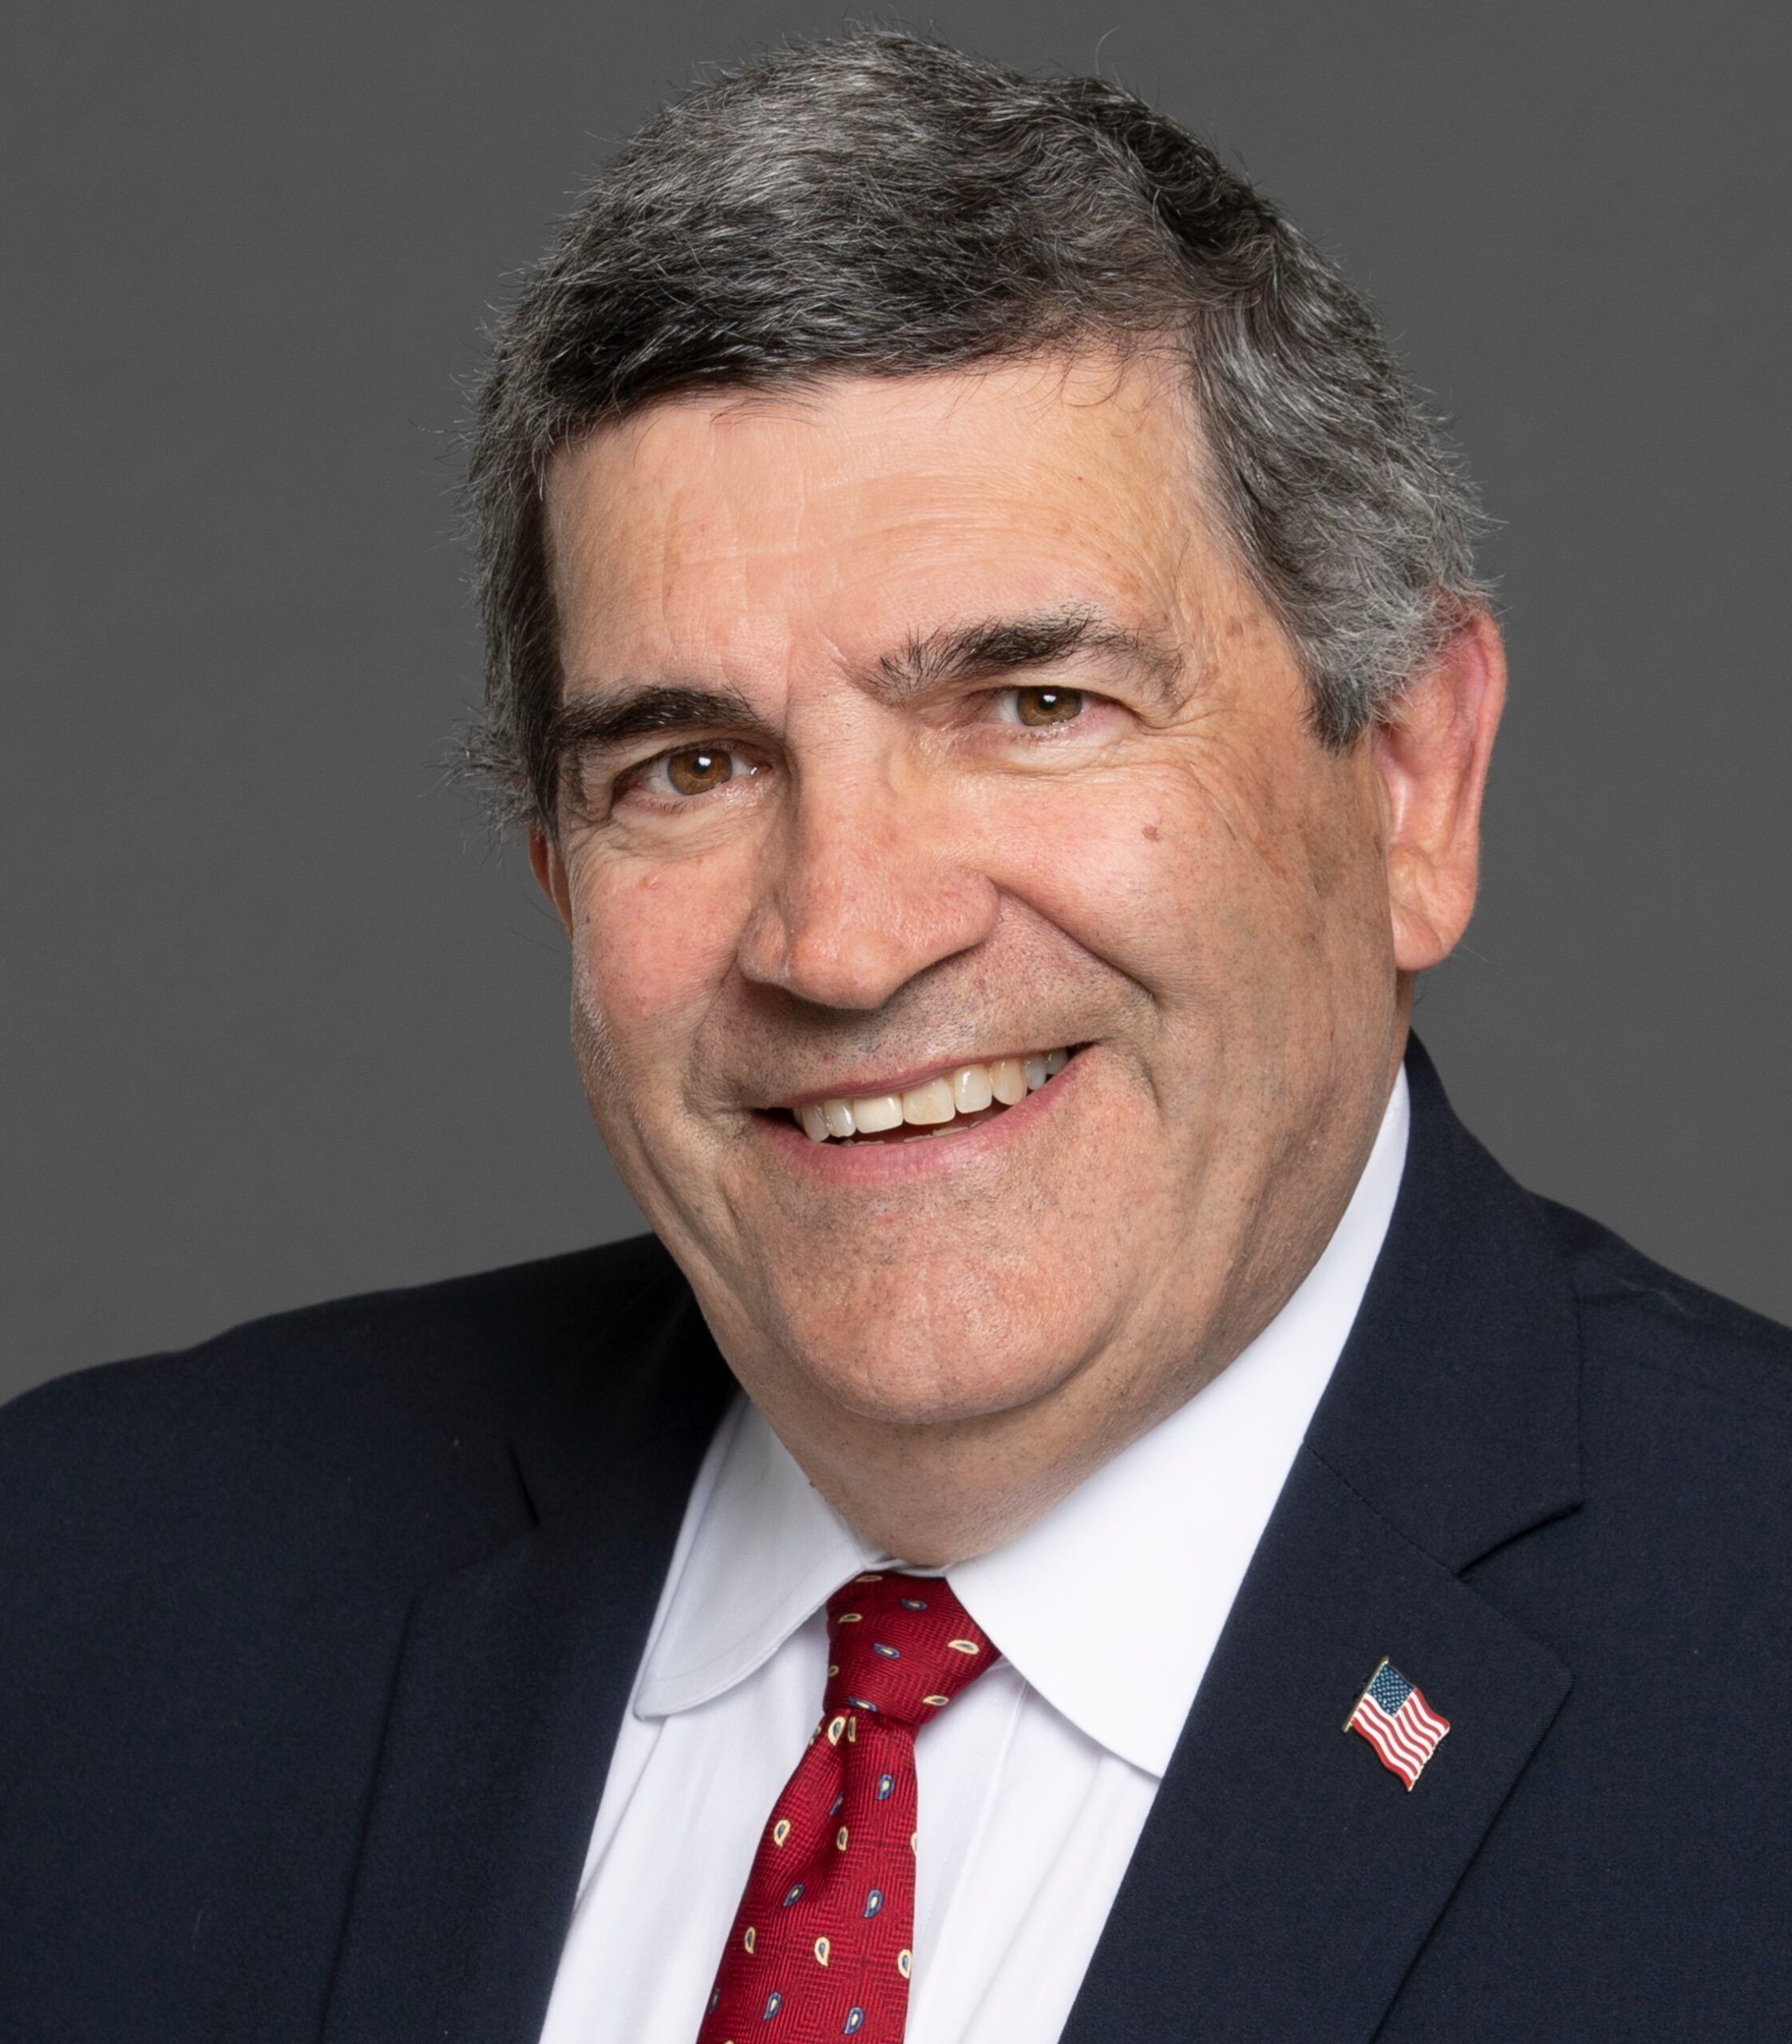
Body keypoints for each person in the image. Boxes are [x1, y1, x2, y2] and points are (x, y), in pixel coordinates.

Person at [3, 30, 1788, 2043]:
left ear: (1408, 781)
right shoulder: (78, 1600)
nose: (844, 937)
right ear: (557, 878)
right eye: (687, 763)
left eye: (1035, 703)